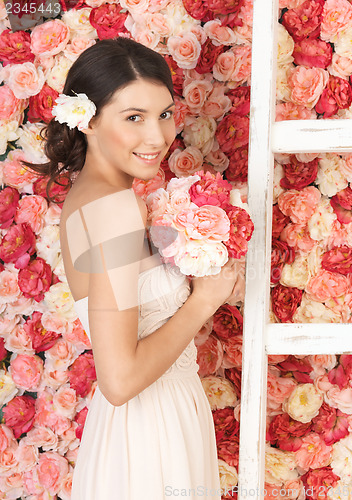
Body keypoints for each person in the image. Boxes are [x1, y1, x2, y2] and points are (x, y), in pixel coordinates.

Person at [24, 37, 243, 499]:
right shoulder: (114, 207)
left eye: (164, 114)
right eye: (133, 118)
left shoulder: (93, 198)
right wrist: (203, 300)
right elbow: (120, 380)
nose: (157, 137)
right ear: (88, 121)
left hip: (154, 425)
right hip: (148, 433)